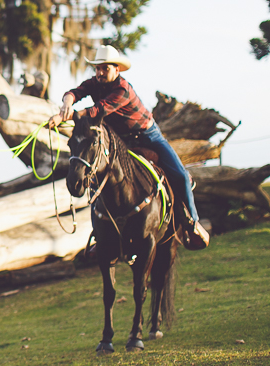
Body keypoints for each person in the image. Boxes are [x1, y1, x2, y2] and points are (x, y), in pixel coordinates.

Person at [47, 45, 209, 250]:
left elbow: (97, 110)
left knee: (181, 176)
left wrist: (63, 116)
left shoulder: (123, 89)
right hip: (120, 139)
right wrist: (66, 104)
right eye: (98, 68)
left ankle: (191, 223)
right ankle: (100, 233)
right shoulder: (94, 83)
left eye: (105, 68)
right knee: (99, 176)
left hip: (147, 136)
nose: (100, 72)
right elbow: (74, 92)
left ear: (117, 69)